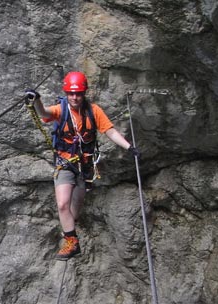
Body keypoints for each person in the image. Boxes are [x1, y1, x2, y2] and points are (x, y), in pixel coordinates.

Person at [25, 71, 140, 261]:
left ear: (84, 93)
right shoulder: (61, 110)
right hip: (65, 164)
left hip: (85, 167)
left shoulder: (94, 111)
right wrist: (36, 100)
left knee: (76, 205)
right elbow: (43, 113)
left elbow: (109, 131)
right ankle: (72, 242)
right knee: (63, 204)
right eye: (71, 93)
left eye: (78, 93)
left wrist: (130, 148)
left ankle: (71, 225)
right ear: (67, 93)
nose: (74, 97)